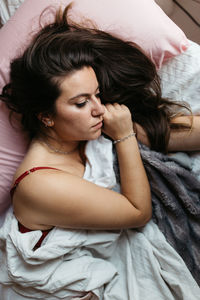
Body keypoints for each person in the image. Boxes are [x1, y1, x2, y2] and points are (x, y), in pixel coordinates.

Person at [0, 5, 200, 299]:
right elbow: (137, 211)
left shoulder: (87, 129)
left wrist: (130, 128)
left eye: (97, 94)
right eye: (81, 102)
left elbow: (173, 131)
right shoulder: (37, 183)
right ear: (46, 116)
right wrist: (125, 136)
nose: (97, 108)